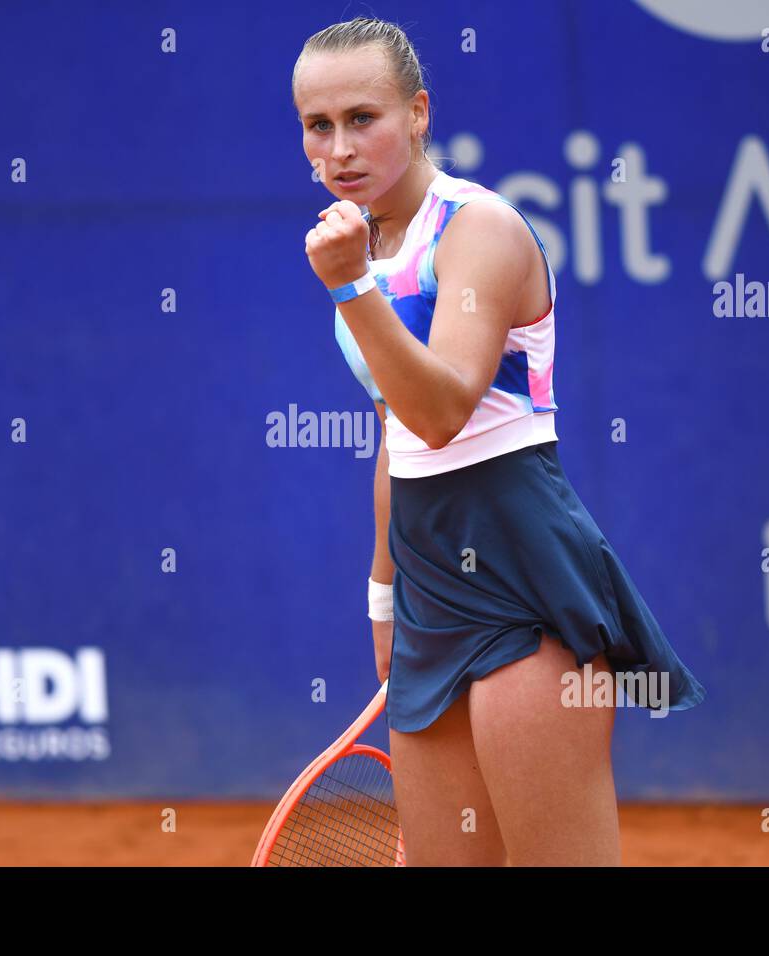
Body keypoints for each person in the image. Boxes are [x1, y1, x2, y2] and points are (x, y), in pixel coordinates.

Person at [293, 16, 705, 866]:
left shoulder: (479, 229)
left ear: (418, 114)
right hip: (429, 582)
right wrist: (382, 595)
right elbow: (395, 429)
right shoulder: (367, 244)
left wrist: (350, 289)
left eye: (363, 118)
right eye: (318, 126)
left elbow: (443, 411)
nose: (340, 147)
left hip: (522, 573)